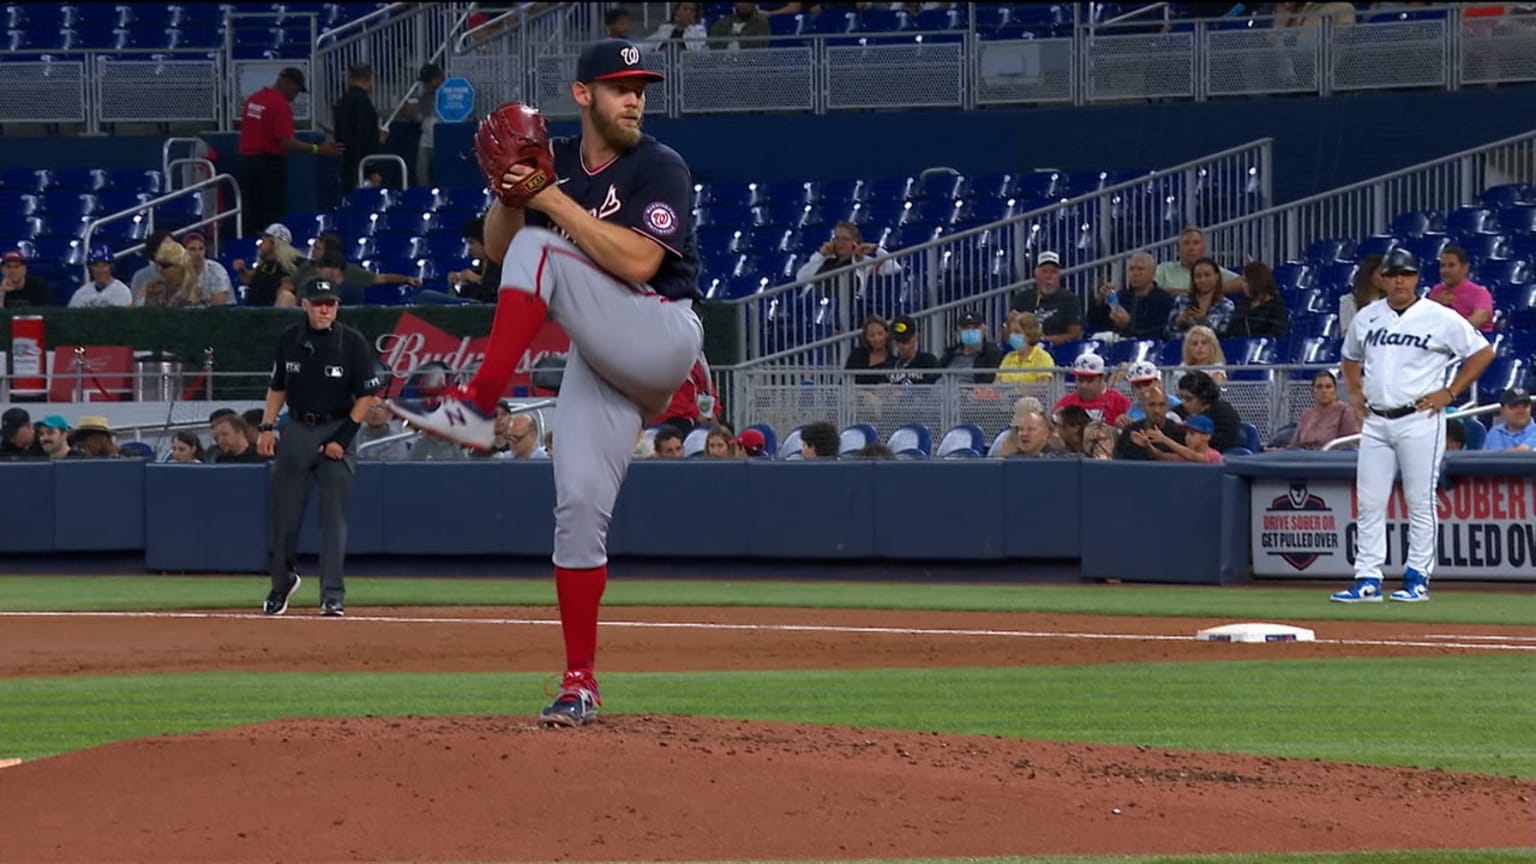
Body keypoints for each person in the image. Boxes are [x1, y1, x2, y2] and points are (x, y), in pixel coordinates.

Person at [385, 40, 703, 728]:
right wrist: (510, 190)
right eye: (620, 86)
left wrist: (549, 197)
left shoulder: (659, 166)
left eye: (640, 87)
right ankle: (579, 682)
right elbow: (499, 249)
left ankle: (476, 404)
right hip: (603, 356)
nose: (635, 98)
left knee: (541, 246)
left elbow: (643, 262)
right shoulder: (553, 159)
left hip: (660, 333)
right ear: (583, 94)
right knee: (579, 508)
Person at [1330, 248, 1493, 604]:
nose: (1399, 280)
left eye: (1406, 273)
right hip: (1376, 420)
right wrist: (1355, 393)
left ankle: (1417, 577)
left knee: (1420, 501)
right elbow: (1349, 356)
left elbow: (1482, 352)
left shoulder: (1440, 317)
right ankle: (1368, 578)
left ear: (1418, 277)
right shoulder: (1368, 316)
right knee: (1370, 503)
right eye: (1393, 274)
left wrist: (1450, 392)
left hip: (1420, 418)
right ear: (1383, 278)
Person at [256, 277, 385, 618]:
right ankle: (281, 584)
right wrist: (267, 426)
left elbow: (367, 394)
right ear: (305, 306)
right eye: (318, 303)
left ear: (337, 307)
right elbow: (278, 385)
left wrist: (343, 438)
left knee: (333, 518)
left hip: (337, 425)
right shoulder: (291, 339)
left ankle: (332, 594)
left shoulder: (352, 342)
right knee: (284, 514)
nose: (325, 309)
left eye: (331, 303)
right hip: (298, 426)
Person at [237, 67, 341, 237]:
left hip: (246, 162)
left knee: (250, 212)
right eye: (296, 90)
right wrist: (317, 149)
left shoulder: (253, 100)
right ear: (288, 83)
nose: (295, 96)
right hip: (269, 164)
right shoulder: (280, 105)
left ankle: (251, 247)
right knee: (272, 215)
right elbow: (286, 142)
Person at [334, 63, 384, 193]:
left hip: (345, 163)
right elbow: (364, 137)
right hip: (361, 167)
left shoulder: (343, 100)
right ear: (370, 79)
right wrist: (371, 169)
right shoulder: (363, 103)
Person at [1289, 369, 1361, 449]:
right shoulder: (1307, 414)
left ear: (1335, 390)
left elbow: (1348, 445)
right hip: (1305, 458)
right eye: (1319, 387)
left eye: (1328, 387)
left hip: (1331, 459)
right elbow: (1294, 445)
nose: (1324, 391)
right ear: (1313, 391)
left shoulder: (1345, 412)